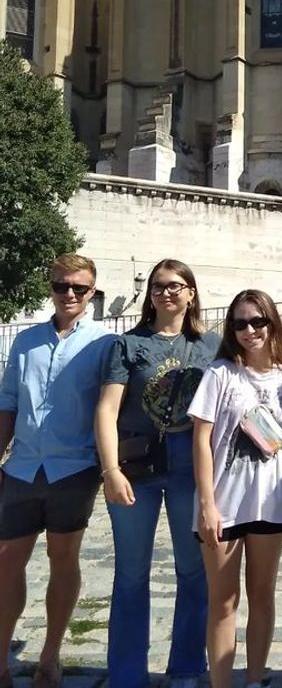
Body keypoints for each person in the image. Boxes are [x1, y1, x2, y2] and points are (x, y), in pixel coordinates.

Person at [94, 259, 219, 688]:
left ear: (191, 293)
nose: (167, 292)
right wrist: (110, 470)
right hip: (136, 464)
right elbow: (107, 410)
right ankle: (127, 675)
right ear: (150, 294)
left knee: (193, 570)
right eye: (159, 286)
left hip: (190, 466)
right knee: (131, 572)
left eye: (176, 286)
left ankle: (186, 667)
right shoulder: (126, 345)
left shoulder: (209, 346)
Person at [188, 290, 282, 688]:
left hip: (271, 503)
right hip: (224, 504)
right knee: (223, 602)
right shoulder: (220, 374)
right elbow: (201, 441)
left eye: (257, 321)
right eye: (240, 323)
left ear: (272, 323)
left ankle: (256, 678)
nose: (249, 330)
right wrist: (207, 504)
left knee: (262, 597)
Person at [0, 254, 113, 688]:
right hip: (23, 466)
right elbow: (8, 403)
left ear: (92, 292)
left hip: (74, 467)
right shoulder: (25, 342)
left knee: (62, 559)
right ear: (50, 287)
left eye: (79, 288)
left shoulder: (103, 344)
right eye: (61, 286)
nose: (69, 294)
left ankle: (50, 655)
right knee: (8, 561)